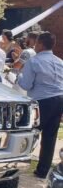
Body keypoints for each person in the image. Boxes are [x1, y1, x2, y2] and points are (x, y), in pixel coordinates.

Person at [18, 31, 63, 178]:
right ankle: (43, 170)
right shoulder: (59, 61)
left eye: (37, 43)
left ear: (41, 44)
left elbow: (26, 84)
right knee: (50, 136)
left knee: (30, 131)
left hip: (42, 100)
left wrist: (18, 75)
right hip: (58, 99)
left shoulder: (34, 61)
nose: (35, 45)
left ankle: (19, 162)